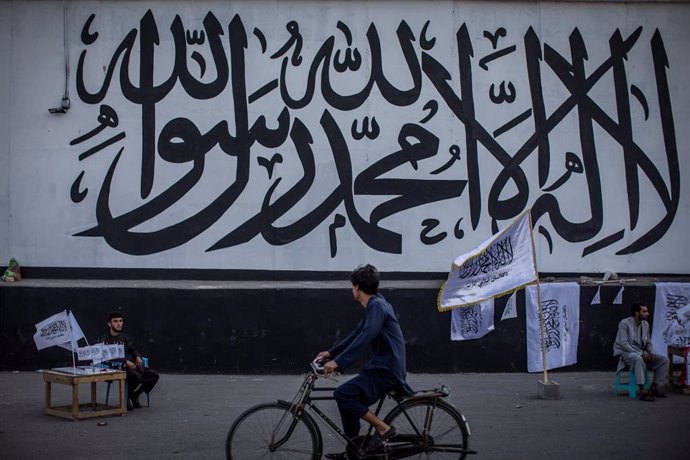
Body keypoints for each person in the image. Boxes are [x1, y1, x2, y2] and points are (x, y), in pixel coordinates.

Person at [315, 264, 413, 459]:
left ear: (357, 287)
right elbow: (357, 333)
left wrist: (338, 363)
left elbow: (365, 337)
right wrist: (331, 353)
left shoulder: (377, 306)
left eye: (352, 286)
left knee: (343, 394)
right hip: (383, 367)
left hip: (386, 370)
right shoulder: (377, 304)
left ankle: (383, 428)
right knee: (347, 400)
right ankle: (354, 451)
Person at [100, 311, 159, 410]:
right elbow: (108, 357)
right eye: (115, 321)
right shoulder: (105, 339)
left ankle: (134, 394)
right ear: (109, 324)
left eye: (120, 321)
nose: (119, 324)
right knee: (136, 376)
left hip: (133, 366)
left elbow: (132, 349)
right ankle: (126, 397)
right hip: (119, 368)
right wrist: (126, 362)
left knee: (154, 375)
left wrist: (137, 356)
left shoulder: (123, 337)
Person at [613, 302, 669, 401]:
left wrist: (651, 353)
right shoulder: (624, 323)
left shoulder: (645, 324)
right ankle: (643, 391)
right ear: (637, 313)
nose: (647, 313)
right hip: (626, 352)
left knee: (664, 360)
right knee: (638, 358)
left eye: (647, 311)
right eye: (644, 311)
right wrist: (642, 354)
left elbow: (648, 342)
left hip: (641, 352)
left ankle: (653, 389)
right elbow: (623, 344)